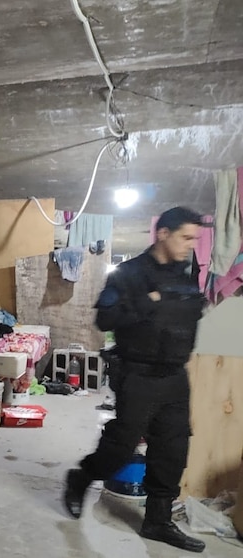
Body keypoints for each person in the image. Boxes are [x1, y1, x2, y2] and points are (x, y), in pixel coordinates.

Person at [63, 206, 207, 552]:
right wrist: (147, 302)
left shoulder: (186, 276)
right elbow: (105, 319)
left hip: (175, 376)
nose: (191, 245)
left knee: (172, 450)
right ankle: (81, 477)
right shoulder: (128, 274)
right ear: (163, 234)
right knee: (121, 446)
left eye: (194, 239)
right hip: (138, 374)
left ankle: (158, 521)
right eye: (186, 237)